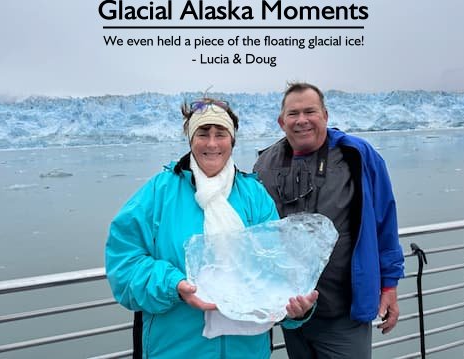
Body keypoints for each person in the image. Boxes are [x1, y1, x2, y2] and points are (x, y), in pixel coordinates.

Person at [105, 98, 318, 359]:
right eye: (203, 133)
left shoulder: (255, 196)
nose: (212, 143)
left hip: (247, 351)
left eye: (221, 134)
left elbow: (278, 270)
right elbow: (124, 264)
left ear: (232, 140)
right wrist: (174, 286)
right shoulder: (158, 193)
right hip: (176, 349)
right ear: (190, 138)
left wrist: (297, 311)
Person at [253, 82, 405, 359]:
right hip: (292, 313)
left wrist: (389, 285)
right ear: (280, 121)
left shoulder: (357, 155)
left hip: (345, 313)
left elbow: (384, 221)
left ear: (325, 115)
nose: (302, 120)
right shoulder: (265, 165)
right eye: (293, 113)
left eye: (310, 111)